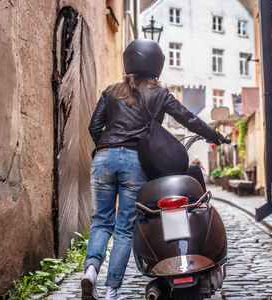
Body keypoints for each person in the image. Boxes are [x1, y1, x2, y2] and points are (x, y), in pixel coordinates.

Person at [81, 38, 225, 300]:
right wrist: (215, 135)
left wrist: (107, 148)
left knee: (101, 223)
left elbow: (94, 126)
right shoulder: (160, 94)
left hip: (103, 158)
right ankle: (112, 290)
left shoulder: (111, 91)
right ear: (156, 65)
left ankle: (90, 272)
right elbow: (188, 119)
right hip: (135, 162)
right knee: (125, 227)